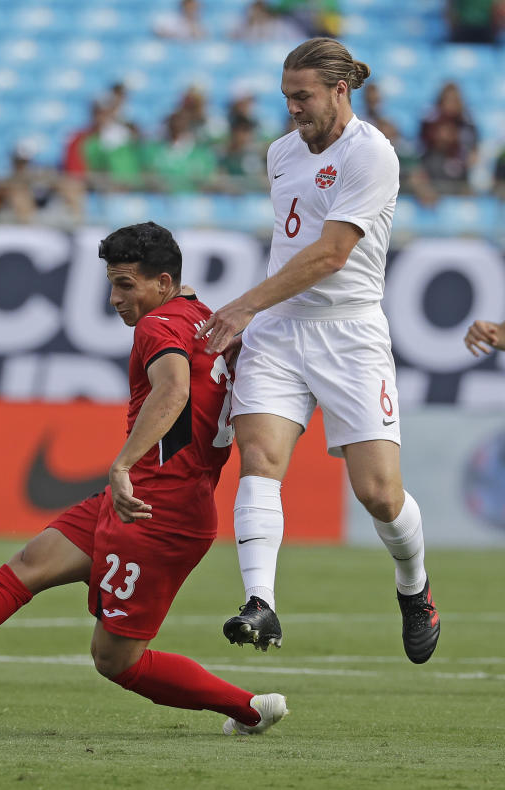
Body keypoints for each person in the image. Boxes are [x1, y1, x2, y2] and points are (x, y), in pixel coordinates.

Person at [0, 223, 288, 737]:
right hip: (147, 498)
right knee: (27, 566)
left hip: (156, 512)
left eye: (125, 284)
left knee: (115, 658)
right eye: (111, 284)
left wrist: (120, 465)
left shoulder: (156, 326)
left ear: (163, 283)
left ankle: (249, 708)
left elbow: (174, 389)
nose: (115, 298)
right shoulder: (204, 320)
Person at [196, 38, 441, 664]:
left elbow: (332, 255)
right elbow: (291, 242)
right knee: (260, 457)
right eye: (286, 98)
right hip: (280, 331)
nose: (292, 111)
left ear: (340, 90)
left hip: (350, 333)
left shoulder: (372, 154)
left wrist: (245, 304)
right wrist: (263, 311)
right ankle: (261, 602)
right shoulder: (281, 153)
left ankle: (414, 587)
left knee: (380, 494)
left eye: (302, 98)